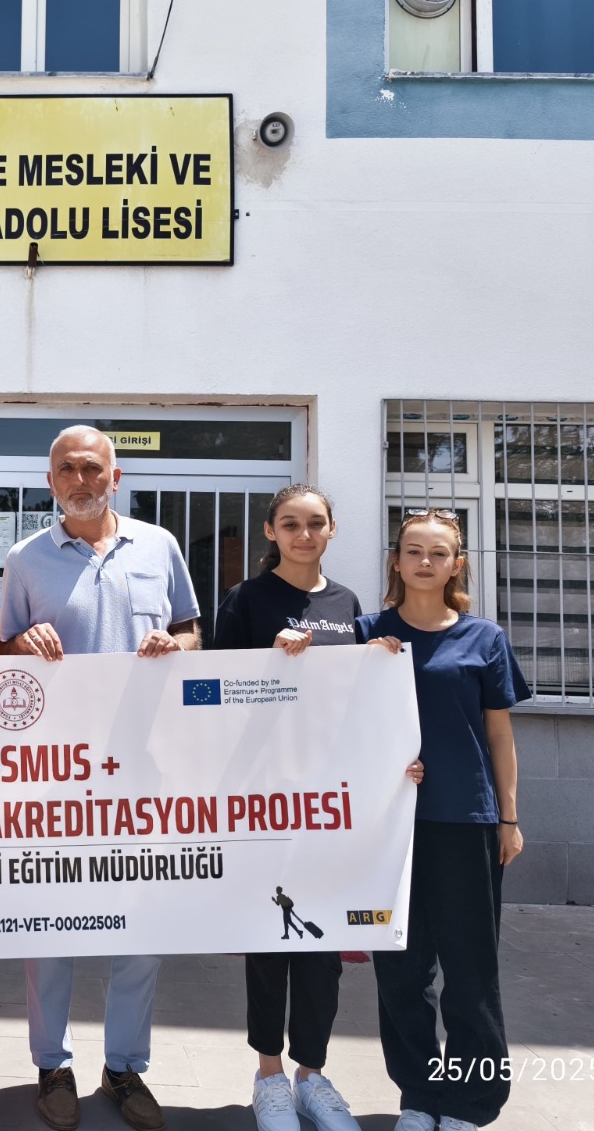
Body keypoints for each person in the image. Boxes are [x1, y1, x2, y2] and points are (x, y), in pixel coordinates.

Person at [0, 425, 200, 1131]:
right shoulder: (24, 559)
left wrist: (172, 644)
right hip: (54, 779)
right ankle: (52, 1066)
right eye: (65, 470)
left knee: (139, 930)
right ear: (49, 481)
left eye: (92, 469)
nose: (79, 480)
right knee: (49, 928)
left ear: (115, 478)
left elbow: (191, 634)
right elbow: (5, 656)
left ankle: (124, 1069)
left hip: (142, 770)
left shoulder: (160, 546)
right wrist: (20, 641)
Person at [212, 484, 423, 1131]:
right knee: (269, 936)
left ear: (333, 530)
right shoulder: (246, 601)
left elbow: (358, 703)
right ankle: (269, 1077)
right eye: (290, 524)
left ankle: (312, 1074)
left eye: (315, 524)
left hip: (331, 802)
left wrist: (392, 743)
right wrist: (268, 662)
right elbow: (209, 697)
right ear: (271, 532)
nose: (304, 535)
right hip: (265, 797)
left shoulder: (349, 605)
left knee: (325, 942)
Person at [357, 511, 527, 1131]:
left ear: (457, 565)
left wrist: (509, 817)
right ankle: (421, 1097)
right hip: (390, 826)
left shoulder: (485, 638)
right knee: (401, 971)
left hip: (467, 820)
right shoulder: (367, 632)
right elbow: (326, 715)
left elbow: (500, 736)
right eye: (413, 551)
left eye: (439, 553)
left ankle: (470, 1104)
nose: (425, 562)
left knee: (470, 969)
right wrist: (303, 647)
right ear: (396, 562)